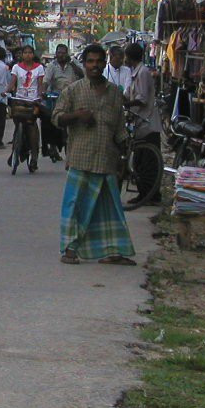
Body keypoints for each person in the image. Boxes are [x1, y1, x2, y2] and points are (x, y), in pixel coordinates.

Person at [52, 43, 136, 265]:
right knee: (75, 206)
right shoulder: (73, 90)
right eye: (90, 61)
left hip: (106, 159)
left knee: (110, 209)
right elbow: (57, 117)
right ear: (85, 64)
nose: (95, 65)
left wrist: (124, 158)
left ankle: (114, 251)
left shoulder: (114, 94)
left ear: (104, 62)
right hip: (80, 158)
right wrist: (77, 115)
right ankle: (70, 250)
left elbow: (119, 129)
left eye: (99, 61)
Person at [123, 41, 163, 198]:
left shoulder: (143, 72)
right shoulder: (134, 73)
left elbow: (142, 99)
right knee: (139, 161)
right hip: (139, 124)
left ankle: (151, 195)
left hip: (148, 123)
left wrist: (126, 104)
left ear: (129, 57)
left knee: (149, 162)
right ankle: (143, 193)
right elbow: (128, 93)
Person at [42, 44, 83, 162]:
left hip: (72, 97)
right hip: (56, 97)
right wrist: (43, 91)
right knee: (49, 120)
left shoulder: (74, 64)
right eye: (59, 52)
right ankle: (52, 146)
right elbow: (46, 81)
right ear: (56, 54)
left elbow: (82, 75)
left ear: (67, 54)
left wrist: (73, 64)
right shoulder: (51, 66)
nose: (61, 55)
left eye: (63, 53)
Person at [8, 44, 45, 172]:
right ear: (22, 55)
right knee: (18, 123)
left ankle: (34, 155)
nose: (27, 55)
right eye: (25, 52)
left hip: (33, 100)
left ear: (33, 54)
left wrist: (40, 95)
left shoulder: (39, 68)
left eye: (30, 52)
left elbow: (40, 84)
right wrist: (6, 91)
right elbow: (13, 82)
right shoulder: (16, 67)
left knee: (32, 126)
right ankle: (16, 148)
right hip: (19, 100)